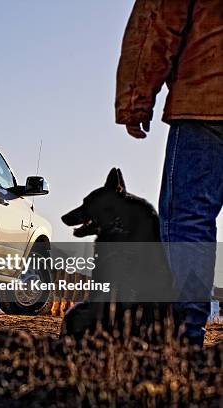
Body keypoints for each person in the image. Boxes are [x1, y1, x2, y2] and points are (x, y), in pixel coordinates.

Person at [115, 0, 223, 347]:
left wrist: (135, 98)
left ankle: (185, 335)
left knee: (189, 219)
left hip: (208, 103)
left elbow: (157, 21)